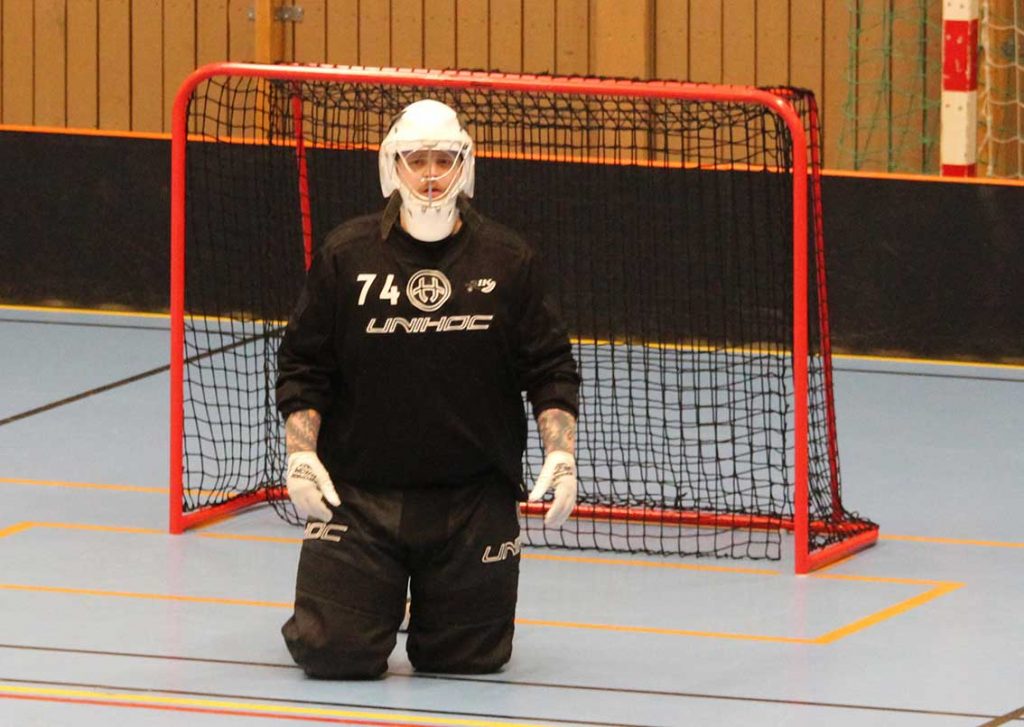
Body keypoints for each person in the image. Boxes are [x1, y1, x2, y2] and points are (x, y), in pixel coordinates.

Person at [275, 98, 581, 679]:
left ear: (466, 166)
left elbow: (549, 367)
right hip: (359, 496)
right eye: (417, 160)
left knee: (467, 661)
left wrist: (560, 454)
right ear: (393, 166)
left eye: (444, 160)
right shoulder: (346, 255)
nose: (431, 175)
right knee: (332, 652)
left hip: (473, 500)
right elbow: (304, 365)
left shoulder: (509, 260)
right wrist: (301, 455)